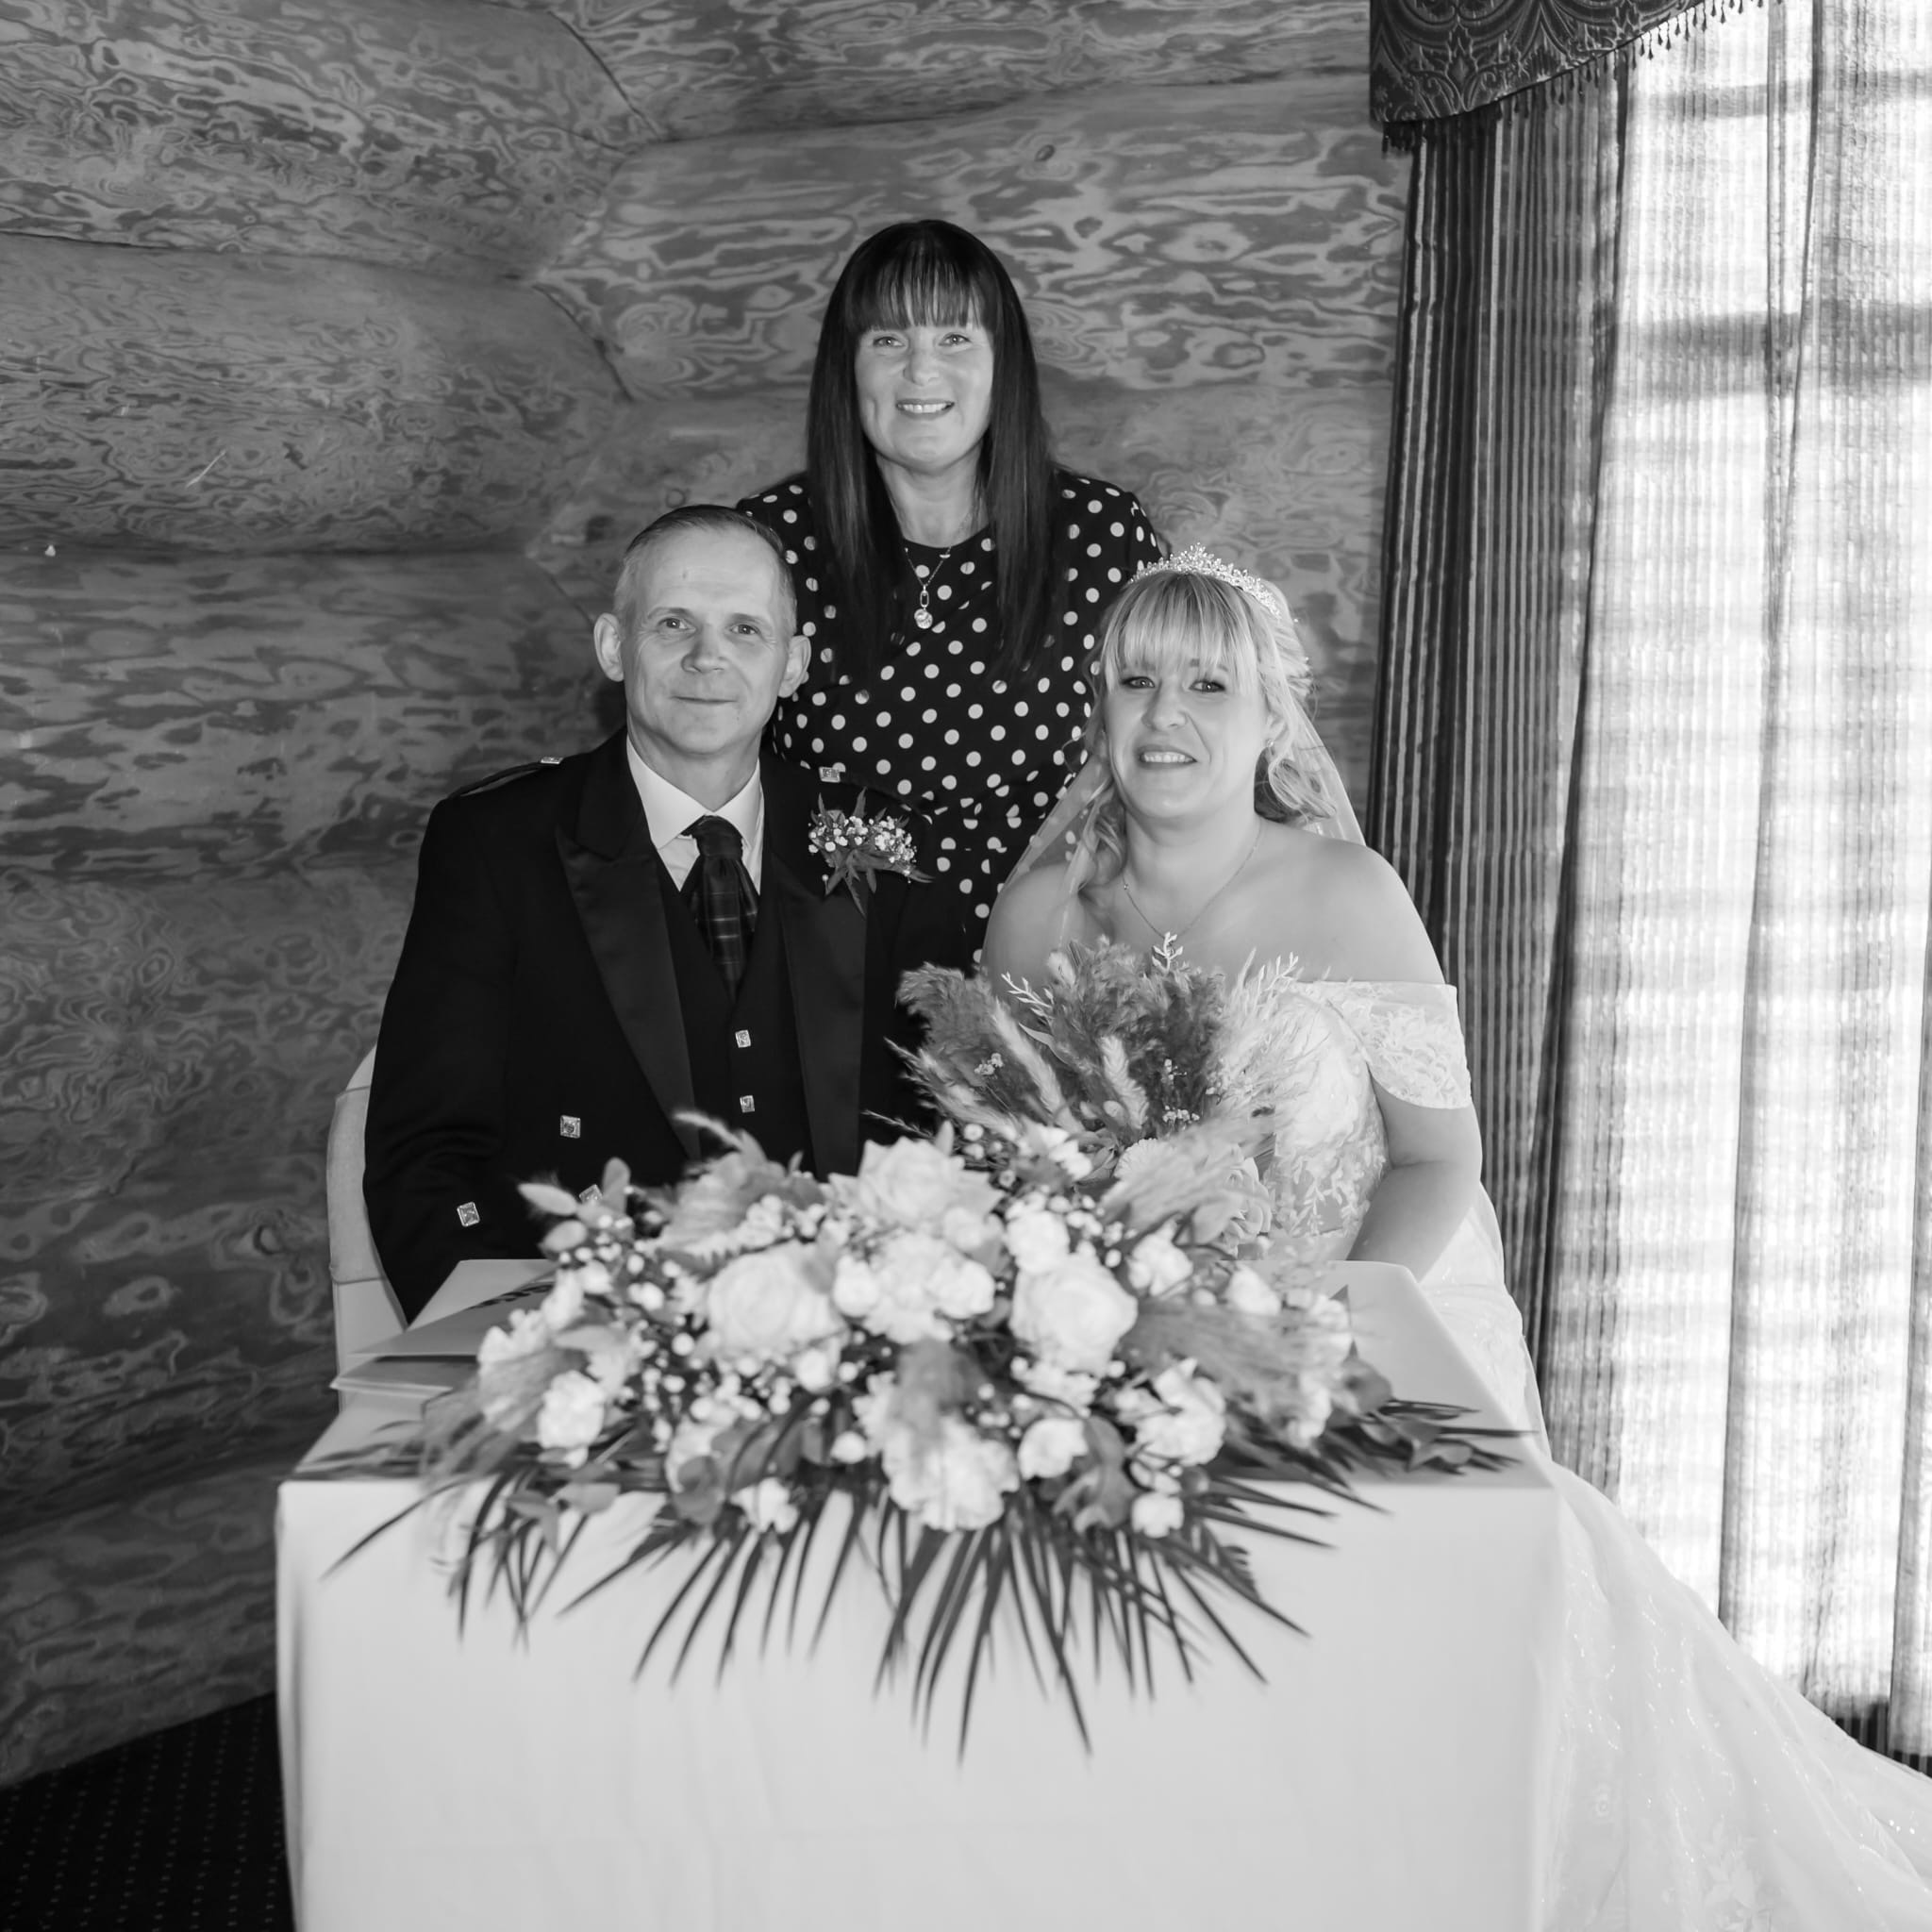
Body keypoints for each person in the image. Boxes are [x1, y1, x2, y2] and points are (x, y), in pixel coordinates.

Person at [984, 549, 1932, 1926]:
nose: (1166, 714)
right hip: (1131, 1352)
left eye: (1208, 684)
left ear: (1269, 718)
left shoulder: (1346, 891)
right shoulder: (1039, 911)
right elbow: (1013, 1163)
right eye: (1136, 681)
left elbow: (1438, 1158)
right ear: (1099, 708)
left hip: (1368, 1320)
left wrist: (1321, 1321)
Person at [363, 506, 974, 1319]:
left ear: (793, 665)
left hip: (852, 1325)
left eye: (745, 630)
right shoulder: (497, 844)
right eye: (673, 623)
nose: (707, 657)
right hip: (596, 1333)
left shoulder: (887, 841)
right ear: (614, 647)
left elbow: (953, 1118)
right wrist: (535, 1350)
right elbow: (427, 1153)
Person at [739, 218, 1164, 934]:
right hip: (823, 964)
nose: (921, 371)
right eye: (888, 340)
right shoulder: (767, 543)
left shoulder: (1104, 536)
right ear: (847, 368)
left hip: (1048, 962)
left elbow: (1166, 756)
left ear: (1005, 364)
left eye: (955, 338)